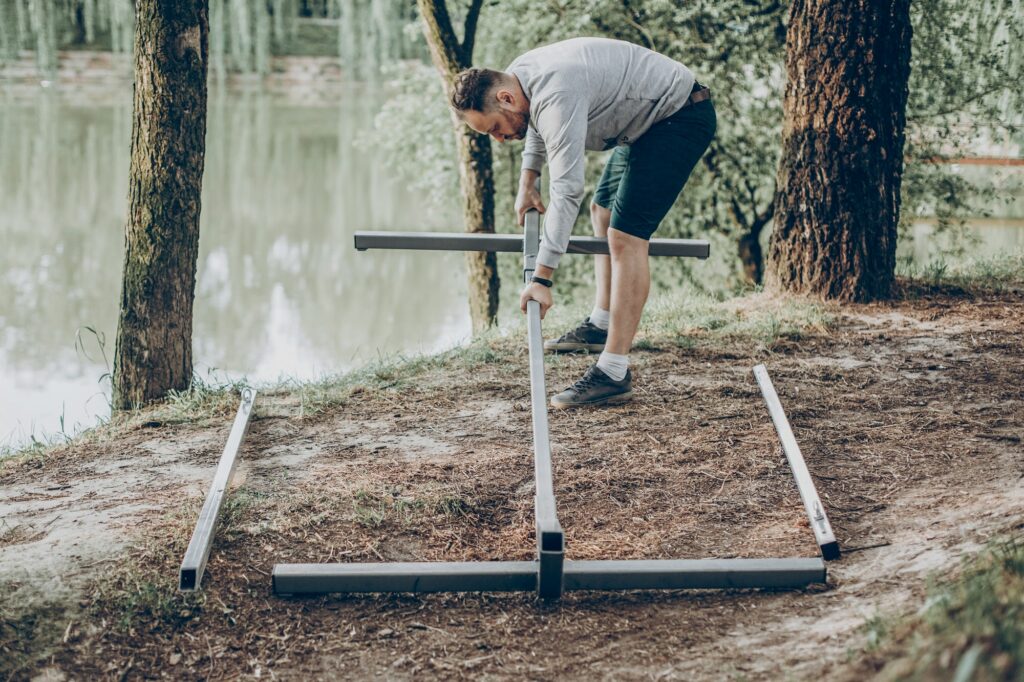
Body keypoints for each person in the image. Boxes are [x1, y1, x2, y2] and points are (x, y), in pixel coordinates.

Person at [450, 37, 716, 408]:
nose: (500, 139)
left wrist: (542, 279)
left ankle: (613, 370)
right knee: (602, 211)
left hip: (679, 117)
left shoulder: (555, 90)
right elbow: (539, 125)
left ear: (505, 99)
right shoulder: (520, 75)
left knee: (626, 237)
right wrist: (528, 179)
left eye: (495, 128)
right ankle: (602, 321)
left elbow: (567, 191)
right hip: (646, 125)